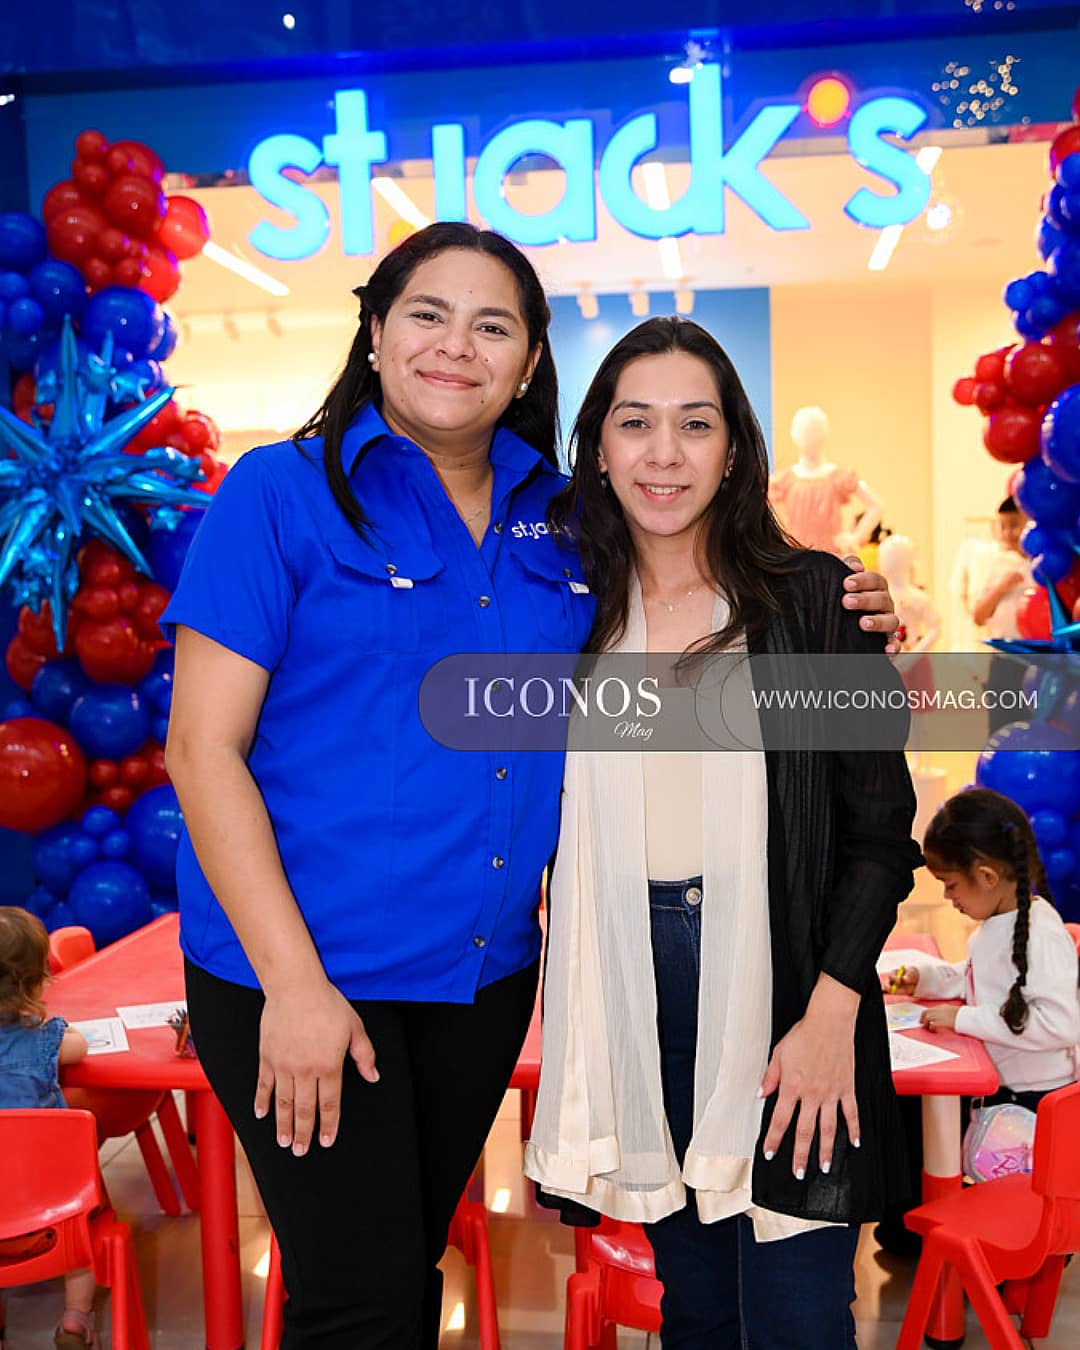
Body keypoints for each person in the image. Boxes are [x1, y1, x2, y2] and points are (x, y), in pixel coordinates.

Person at [162, 224, 901, 1349]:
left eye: (493, 325)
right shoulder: (301, 500)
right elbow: (200, 748)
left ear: (526, 363)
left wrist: (855, 629)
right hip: (331, 974)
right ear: (373, 333)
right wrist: (291, 987)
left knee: (419, 1272)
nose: (457, 346)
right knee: (371, 1294)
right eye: (427, 314)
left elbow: (841, 802)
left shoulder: (578, 543)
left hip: (507, 980)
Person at [525, 317, 921, 1350]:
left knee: (794, 1311)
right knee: (697, 1311)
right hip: (635, 985)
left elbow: (881, 836)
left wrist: (834, 1012)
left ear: (734, 447)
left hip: (793, 981)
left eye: (694, 425)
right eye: (635, 424)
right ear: (599, 450)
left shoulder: (817, 604)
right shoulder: (568, 611)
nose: (664, 454)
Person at [882, 787, 1080, 1114]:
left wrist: (964, 1018)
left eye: (951, 884)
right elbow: (982, 977)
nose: (948, 897)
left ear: (987, 876)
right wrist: (928, 980)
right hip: (1003, 1089)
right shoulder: (1000, 920)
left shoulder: (1040, 935)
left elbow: (1061, 1024)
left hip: (1032, 1102)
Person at [0, 907, 95, 1350]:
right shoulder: (43, 1040)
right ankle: (76, 1319)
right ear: (35, 984)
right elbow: (79, 1046)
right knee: (82, 1236)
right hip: (50, 1218)